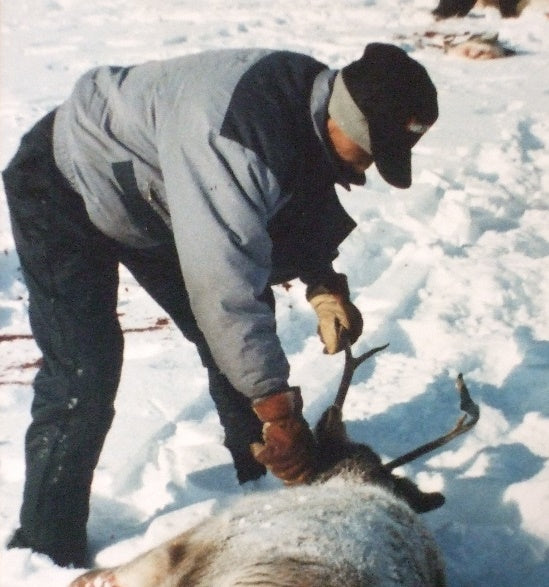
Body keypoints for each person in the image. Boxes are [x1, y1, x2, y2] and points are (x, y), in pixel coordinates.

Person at [2, 42, 438, 567]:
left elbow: (304, 186)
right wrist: (277, 409)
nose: (368, 166)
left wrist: (324, 280)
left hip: (152, 191)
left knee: (234, 342)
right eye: (371, 149)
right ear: (344, 118)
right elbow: (225, 293)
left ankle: (259, 477)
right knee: (85, 372)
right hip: (65, 180)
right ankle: (43, 551)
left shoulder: (313, 102)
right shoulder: (234, 137)